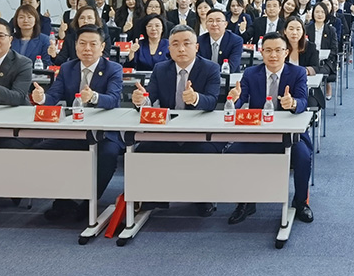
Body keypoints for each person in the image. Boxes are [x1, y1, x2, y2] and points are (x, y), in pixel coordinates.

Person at [31, 25, 123, 222]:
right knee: (41, 151)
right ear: (75, 45)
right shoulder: (67, 68)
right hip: (74, 130)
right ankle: (63, 200)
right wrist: (41, 98)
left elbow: (114, 100)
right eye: (82, 43)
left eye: (93, 44)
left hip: (105, 132)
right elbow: (54, 95)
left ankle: (89, 202)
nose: (87, 48)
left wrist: (94, 97)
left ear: (102, 47)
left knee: (107, 155)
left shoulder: (113, 68)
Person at [130, 24, 222, 216]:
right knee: (143, 151)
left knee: (204, 153)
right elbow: (150, 97)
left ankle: (202, 198)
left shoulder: (210, 68)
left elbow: (212, 101)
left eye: (187, 43)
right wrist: (141, 100)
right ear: (169, 48)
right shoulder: (161, 68)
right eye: (175, 44)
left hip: (199, 131)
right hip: (168, 129)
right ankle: (154, 197)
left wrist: (196, 98)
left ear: (196, 47)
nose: (181, 49)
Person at [226, 32, 314, 224]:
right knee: (233, 152)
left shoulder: (297, 72)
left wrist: (292, 103)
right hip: (259, 133)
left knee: (303, 156)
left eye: (278, 50)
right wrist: (234, 99)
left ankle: (300, 202)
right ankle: (245, 201)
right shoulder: (251, 73)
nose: (273, 55)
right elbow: (241, 100)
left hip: (289, 134)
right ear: (261, 52)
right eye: (268, 50)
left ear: (286, 52)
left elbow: (303, 100)